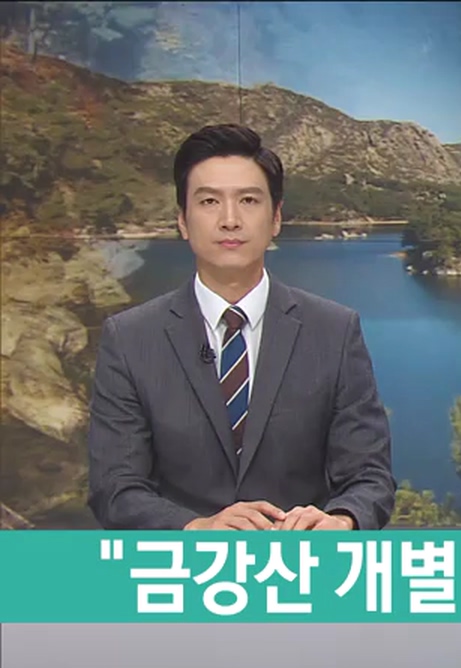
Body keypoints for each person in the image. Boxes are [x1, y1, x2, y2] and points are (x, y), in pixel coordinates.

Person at [86, 124, 397, 531]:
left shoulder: (334, 332)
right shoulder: (130, 338)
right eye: (209, 201)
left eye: (248, 200)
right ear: (182, 221)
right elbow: (114, 488)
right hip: (181, 565)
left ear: (276, 218)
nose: (230, 220)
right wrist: (197, 528)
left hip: (299, 562)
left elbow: (370, 477)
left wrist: (340, 520)